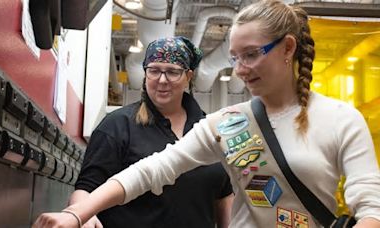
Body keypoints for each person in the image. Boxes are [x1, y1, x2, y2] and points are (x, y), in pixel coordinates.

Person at [33, 1, 380, 227]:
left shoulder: (341, 120)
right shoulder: (227, 123)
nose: (241, 69)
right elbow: (153, 169)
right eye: (234, 58)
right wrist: (76, 215)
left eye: (251, 55)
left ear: (287, 48)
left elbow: (371, 206)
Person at [62, 36, 233, 228]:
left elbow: (224, 196)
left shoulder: (210, 130)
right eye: (154, 71)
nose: (162, 80)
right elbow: (85, 188)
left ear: (188, 76)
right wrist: (83, 215)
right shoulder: (117, 125)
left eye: (172, 72)